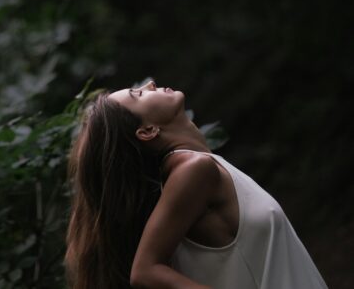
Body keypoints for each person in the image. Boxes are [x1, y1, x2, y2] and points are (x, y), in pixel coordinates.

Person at [65, 79, 329, 289]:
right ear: (147, 131)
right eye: (139, 95)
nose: (150, 85)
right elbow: (144, 271)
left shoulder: (199, 169)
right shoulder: (194, 171)